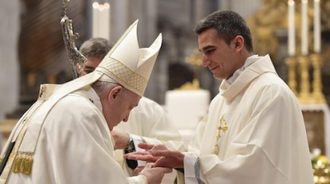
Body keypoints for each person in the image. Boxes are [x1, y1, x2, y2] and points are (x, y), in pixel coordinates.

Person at [125, 10, 314, 184]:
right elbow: (195, 153)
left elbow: (256, 168)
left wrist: (186, 162)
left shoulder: (271, 93)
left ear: (237, 44)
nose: (204, 62)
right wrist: (174, 163)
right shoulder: (221, 101)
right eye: (202, 53)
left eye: (210, 51)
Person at [0, 20, 172, 184]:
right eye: (129, 107)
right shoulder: (83, 113)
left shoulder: (62, 101)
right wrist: (146, 179)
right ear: (114, 94)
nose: (127, 118)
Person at [78, 37, 184, 184]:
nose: (96, 79)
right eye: (89, 71)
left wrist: (130, 142)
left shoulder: (146, 109)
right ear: (78, 68)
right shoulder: (73, 109)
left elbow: (176, 153)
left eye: (102, 72)